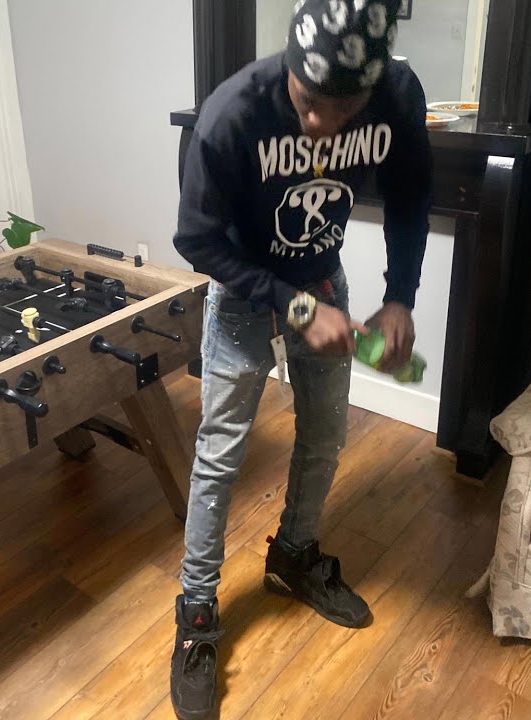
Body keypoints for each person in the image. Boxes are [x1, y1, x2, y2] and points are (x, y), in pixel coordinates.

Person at [166, 1, 433, 717]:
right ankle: (196, 612)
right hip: (244, 291)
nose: (320, 125)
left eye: (342, 110)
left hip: (323, 280)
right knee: (220, 453)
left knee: (325, 436)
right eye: (309, 103)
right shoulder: (231, 114)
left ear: (372, 89)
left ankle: (294, 554)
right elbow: (195, 239)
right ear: (288, 67)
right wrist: (295, 309)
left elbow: (411, 196)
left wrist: (400, 298)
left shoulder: (397, 96)